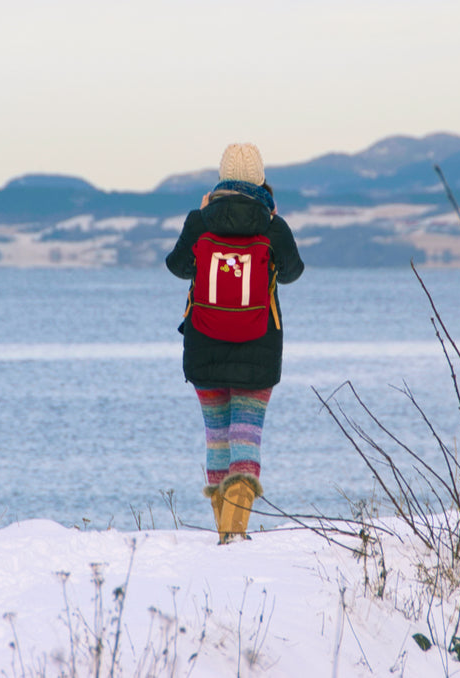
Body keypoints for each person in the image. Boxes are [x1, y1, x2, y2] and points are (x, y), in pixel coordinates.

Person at [165, 143, 304, 544]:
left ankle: (223, 531)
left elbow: (177, 267)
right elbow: (293, 273)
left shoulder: (200, 220)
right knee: (246, 436)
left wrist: (201, 215)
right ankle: (234, 531)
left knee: (217, 439)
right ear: (261, 179)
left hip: (204, 347)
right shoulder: (272, 225)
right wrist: (274, 224)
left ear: (221, 177)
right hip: (258, 348)